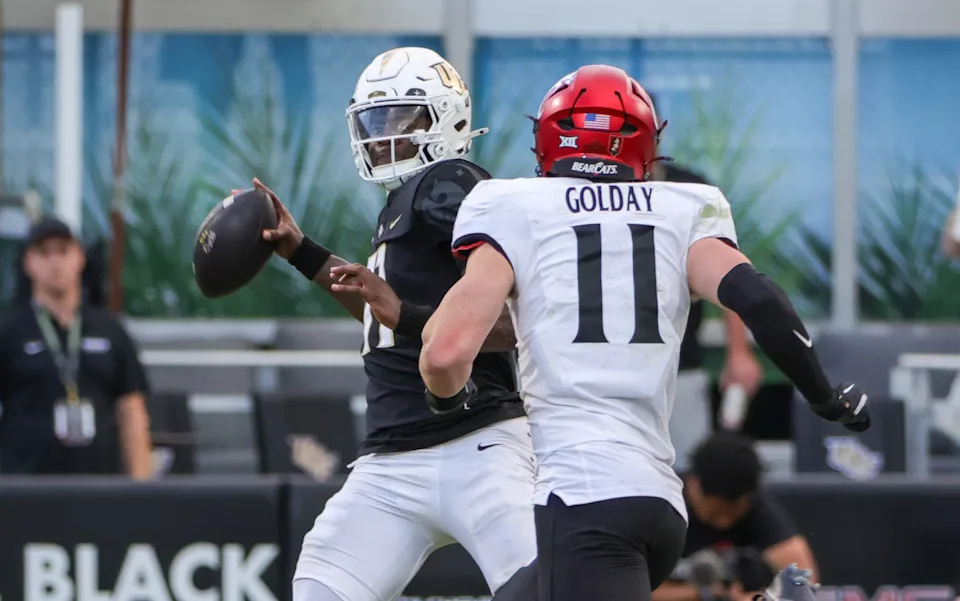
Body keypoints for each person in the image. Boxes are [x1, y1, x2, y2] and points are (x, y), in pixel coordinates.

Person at [418, 64, 871, 601]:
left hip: (587, 497)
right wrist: (823, 393)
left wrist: (445, 400)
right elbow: (756, 296)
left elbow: (445, 353)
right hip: (659, 503)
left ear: (547, 138)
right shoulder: (683, 207)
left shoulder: (510, 204)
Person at [250, 47, 536, 601]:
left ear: (446, 119)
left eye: (403, 120)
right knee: (320, 590)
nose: (384, 136)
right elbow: (384, 316)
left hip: (477, 441)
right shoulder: (405, 203)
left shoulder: (450, 182)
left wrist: (407, 314)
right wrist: (303, 252)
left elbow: (520, 317)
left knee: (544, 588)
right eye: (376, 121)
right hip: (392, 459)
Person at [0, 216, 153, 478]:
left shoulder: (110, 330)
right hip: (24, 489)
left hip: (99, 488)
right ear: (28, 262)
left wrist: (142, 488)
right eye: (44, 253)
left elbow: (132, 411)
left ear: (80, 257)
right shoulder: (10, 332)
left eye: (63, 251)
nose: (55, 262)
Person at [649, 155, 763, 465]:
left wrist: (739, 351)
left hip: (681, 360)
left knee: (690, 471)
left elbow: (729, 268)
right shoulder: (586, 189)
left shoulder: (692, 191)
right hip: (605, 364)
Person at [656, 432, 818, 601]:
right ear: (694, 486)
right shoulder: (663, 506)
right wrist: (699, 594)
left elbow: (803, 581)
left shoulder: (757, 507)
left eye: (733, 512)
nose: (724, 522)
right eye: (716, 512)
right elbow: (634, 587)